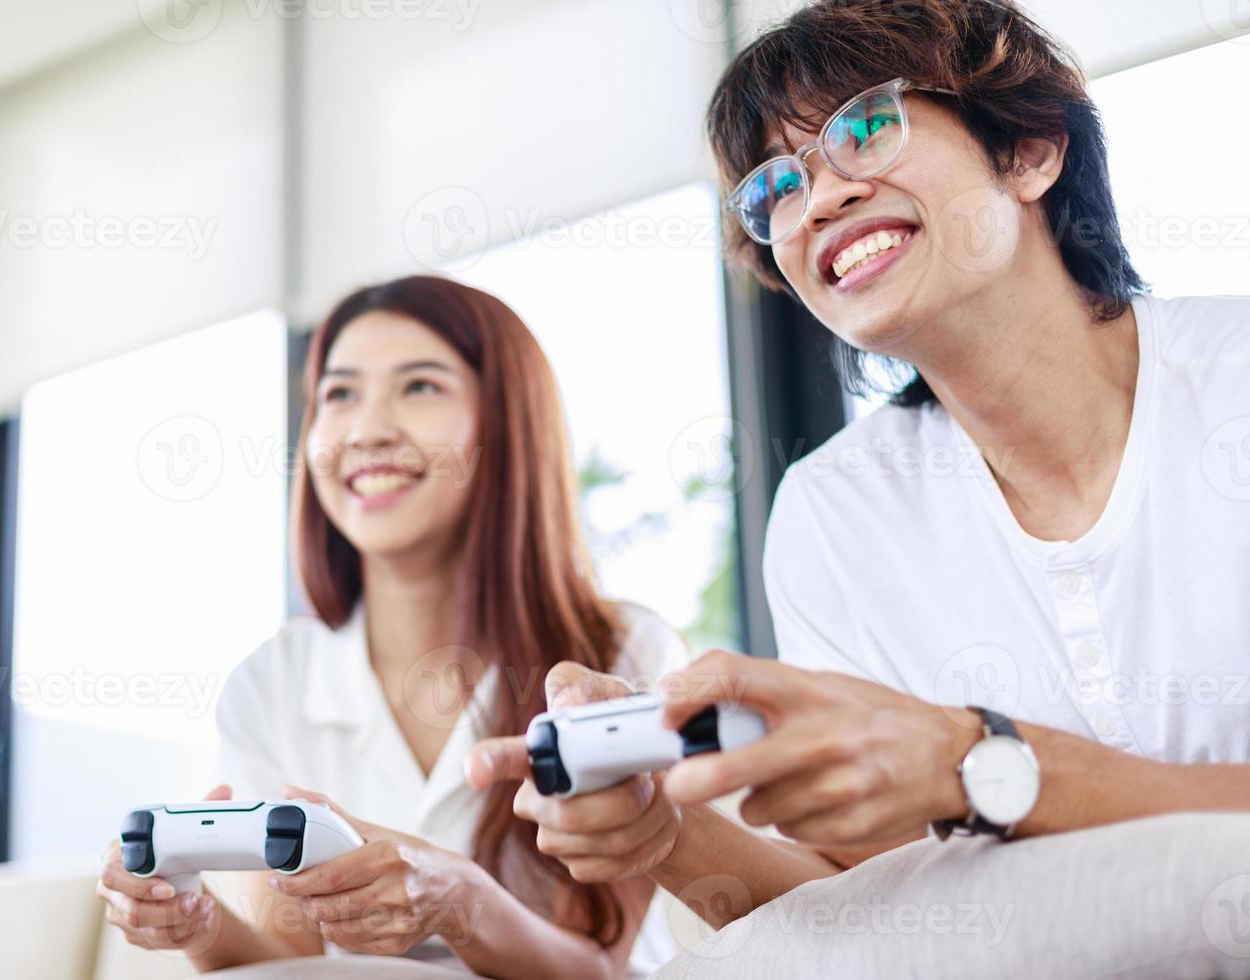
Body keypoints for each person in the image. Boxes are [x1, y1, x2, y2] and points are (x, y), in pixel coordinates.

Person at [467, 0, 1250, 967]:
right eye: (777, 188)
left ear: (1032, 150)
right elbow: (874, 902)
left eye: (866, 127)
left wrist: (977, 762)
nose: (819, 199)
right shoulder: (834, 513)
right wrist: (667, 833)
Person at [96, 276, 690, 977]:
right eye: (338, 394)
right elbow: (289, 963)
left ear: (505, 426)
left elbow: (603, 970)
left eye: (419, 387)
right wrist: (196, 925)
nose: (367, 429)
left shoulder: (620, 653)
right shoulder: (272, 684)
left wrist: (461, 901)